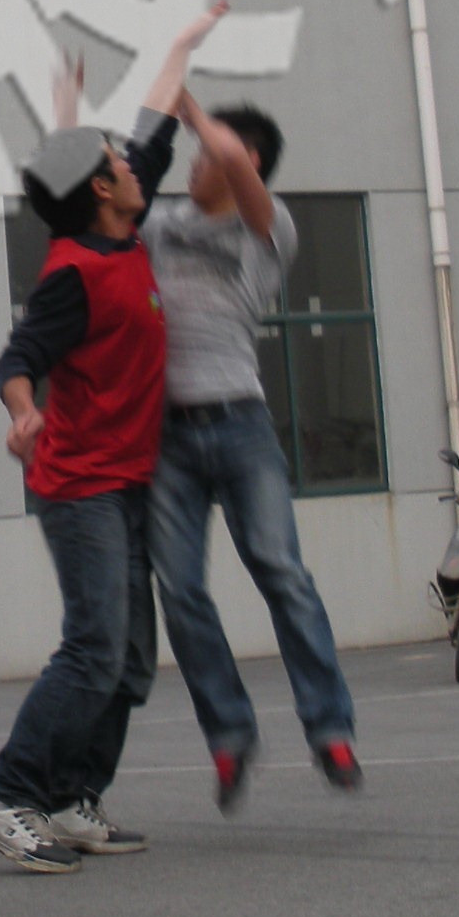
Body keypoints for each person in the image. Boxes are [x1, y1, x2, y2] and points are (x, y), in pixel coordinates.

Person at [0, 12, 211, 873]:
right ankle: (9, 797)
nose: (135, 167)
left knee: (132, 658)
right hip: (78, 488)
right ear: (104, 189)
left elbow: (153, 127)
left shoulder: (116, 226)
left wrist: (182, 45)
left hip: (128, 479)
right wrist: (22, 412)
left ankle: (72, 797)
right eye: (117, 164)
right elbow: (17, 359)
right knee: (95, 645)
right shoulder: (74, 273)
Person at [144, 91, 362, 812]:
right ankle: (230, 734)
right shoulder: (160, 225)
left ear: (247, 160)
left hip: (241, 424)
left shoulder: (268, 232)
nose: (194, 163)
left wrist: (195, 113)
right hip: (169, 438)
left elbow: (234, 159)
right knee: (180, 589)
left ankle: (329, 729)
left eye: (204, 153)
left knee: (281, 572)